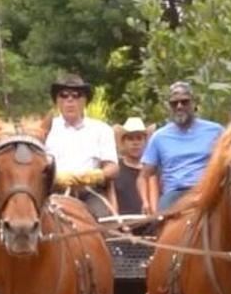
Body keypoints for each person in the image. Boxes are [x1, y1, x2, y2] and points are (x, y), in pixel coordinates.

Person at [42, 73, 118, 220]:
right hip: (53, 191)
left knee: (103, 225)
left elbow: (113, 168)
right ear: (57, 101)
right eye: (64, 95)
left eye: (76, 95)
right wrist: (54, 177)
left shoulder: (102, 130)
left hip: (89, 192)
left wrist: (94, 176)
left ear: (85, 101)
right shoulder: (45, 129)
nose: (70, 100)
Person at [141, 81, 225, 214]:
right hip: (174, 194)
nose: (179, 106)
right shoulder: (159, 137)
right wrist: (146, 202)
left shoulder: (216, 131)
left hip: (207, 190)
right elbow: (144, 175)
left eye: (184, 102)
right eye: (174, 103)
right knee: (160, 225)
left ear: (194, 103)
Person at [113, 116, 152, 218]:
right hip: (122, 227)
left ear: (145, 142)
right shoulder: (115, 169)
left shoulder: (153, 170)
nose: (135, 143)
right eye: (130, 139)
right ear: (123, 143)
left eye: (139, 138)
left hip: (151, 225)